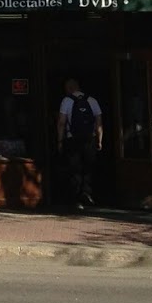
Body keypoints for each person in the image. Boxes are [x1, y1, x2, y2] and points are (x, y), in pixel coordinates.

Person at [56, 77, 102, 208]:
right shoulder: (92, 100)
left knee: (74, 169)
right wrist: (99, 140)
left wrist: (60, 140)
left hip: (72, 139)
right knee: (88, 168)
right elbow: (99, 123)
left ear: (69, 88)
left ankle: (76, 199)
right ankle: (87, 193)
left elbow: (61, 122)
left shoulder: (67, 100)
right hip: (90, 139)